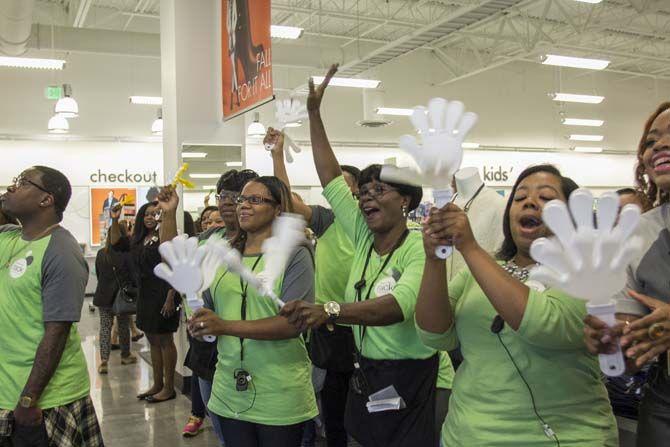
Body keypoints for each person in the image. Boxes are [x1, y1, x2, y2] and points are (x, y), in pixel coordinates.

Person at [280, 65, 445, 447]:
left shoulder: (419, 247)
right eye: (365, 190)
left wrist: (332, 310)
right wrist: (314, 115)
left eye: (380, 190)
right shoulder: (362, 234)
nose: (367, 196)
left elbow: (398, 307)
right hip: (369, 370)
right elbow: (330, 177)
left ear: (405, 201)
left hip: (419, 377)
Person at [415, 164, 618, 446]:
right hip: (467, 434)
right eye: (520, 197)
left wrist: (470, 248)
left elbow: (544, 325)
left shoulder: (585, 271)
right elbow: (434, 334)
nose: (530, 202)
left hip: (563, 436)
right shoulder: (478, 271)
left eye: (546, 198)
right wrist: (434, 260)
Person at [188, 176, 318, 447]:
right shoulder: (225, 254)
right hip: (229, 388)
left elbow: (292, 324)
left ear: (278, 209)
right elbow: (210, 309)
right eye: (241, 199)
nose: (243, 206)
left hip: (279, 390)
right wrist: (201, 323)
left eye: (255, 200)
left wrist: (223, 326)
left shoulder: (295, 254)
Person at [266, 127, 359, 447]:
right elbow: (286, 204)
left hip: (371, 326)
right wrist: (278, 155)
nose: (335, 193)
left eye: (342, 186)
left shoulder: (379, 228)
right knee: (332, 406)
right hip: (331, 327)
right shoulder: (328, 220)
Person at [585, 102, 670, 447]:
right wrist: (610, 342)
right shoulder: (638, 233)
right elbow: (630, 354)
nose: (659, 146)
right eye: (652, 141)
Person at [0, 166, 103, 446]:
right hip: (6, 392)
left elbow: (56, 333)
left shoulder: (61, 251)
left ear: (46, 200)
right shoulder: (8, 237)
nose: (11, 187)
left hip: (46, 401)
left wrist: (29, 397)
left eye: (21, 183)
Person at [182, 169, 259, 443]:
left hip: (249, 345)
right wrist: (169, 213)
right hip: (208, 345)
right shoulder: (209, 238)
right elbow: (174, 251)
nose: (227, 201)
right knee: (222, 425)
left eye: (235, 196)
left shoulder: (261, 243)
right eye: (223, 195)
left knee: (252, 421)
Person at [110, 194, 180, 404]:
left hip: (164, 292)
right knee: (152, 340)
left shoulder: (163, 236)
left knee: (165, 340)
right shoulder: (138, 239)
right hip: (146, 294)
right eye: (147, 214)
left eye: (155, 213)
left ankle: (169, 387)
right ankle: (157, 384)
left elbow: (173, 266)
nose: (151, 217)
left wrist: (171, 296)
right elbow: (115, 242)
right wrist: (114, 219)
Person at [93, 222, 137, 374]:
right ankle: (125, 355)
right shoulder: (126, 254)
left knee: (105, 327)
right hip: (121, 297)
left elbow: (99, 274)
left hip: (103, 296)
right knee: (123, 326)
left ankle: (104, 361)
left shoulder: (100, 253)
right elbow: (131, 276)